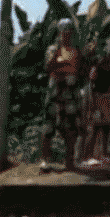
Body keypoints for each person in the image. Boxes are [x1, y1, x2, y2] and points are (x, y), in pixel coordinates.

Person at [41, 18, 82, 172]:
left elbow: (79, 70)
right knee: (49, 126)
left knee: (71, 126)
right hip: (54, 92)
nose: (67, 35)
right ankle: (45, 160)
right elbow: (49, 67)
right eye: (64, 32)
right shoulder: (53, 49)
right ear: (59, 33)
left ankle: (69, 161)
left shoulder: (75, 51)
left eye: (69, 32)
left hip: (70, 93)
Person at [83, 49, 110, 160]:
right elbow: (91, 86)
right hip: (96, 99)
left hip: (107, 101)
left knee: (107, 127)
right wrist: (91, 104)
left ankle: (103, 154)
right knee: (95, 128)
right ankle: (88, 156)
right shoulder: (96, 68)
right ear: (106, 55)